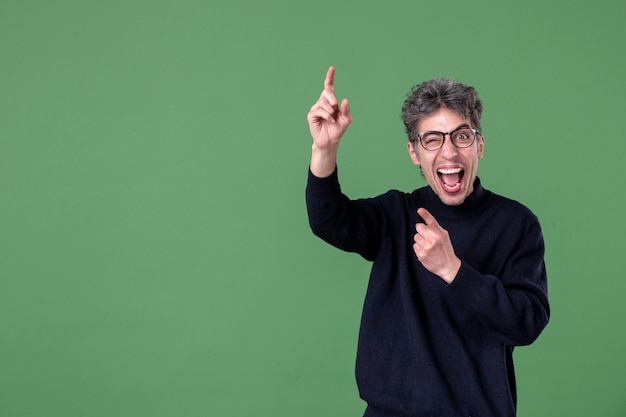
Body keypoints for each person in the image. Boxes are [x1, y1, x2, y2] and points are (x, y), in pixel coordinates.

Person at [305, 66, 549, 417]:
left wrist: (454, 270)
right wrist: (324, 149)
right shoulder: (396, 215)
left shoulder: (516, 223)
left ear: (479, 144)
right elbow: (328, 220)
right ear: (414, 153)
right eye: (432, 139)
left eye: (461, 137)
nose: (448, 153)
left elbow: (526, 323)